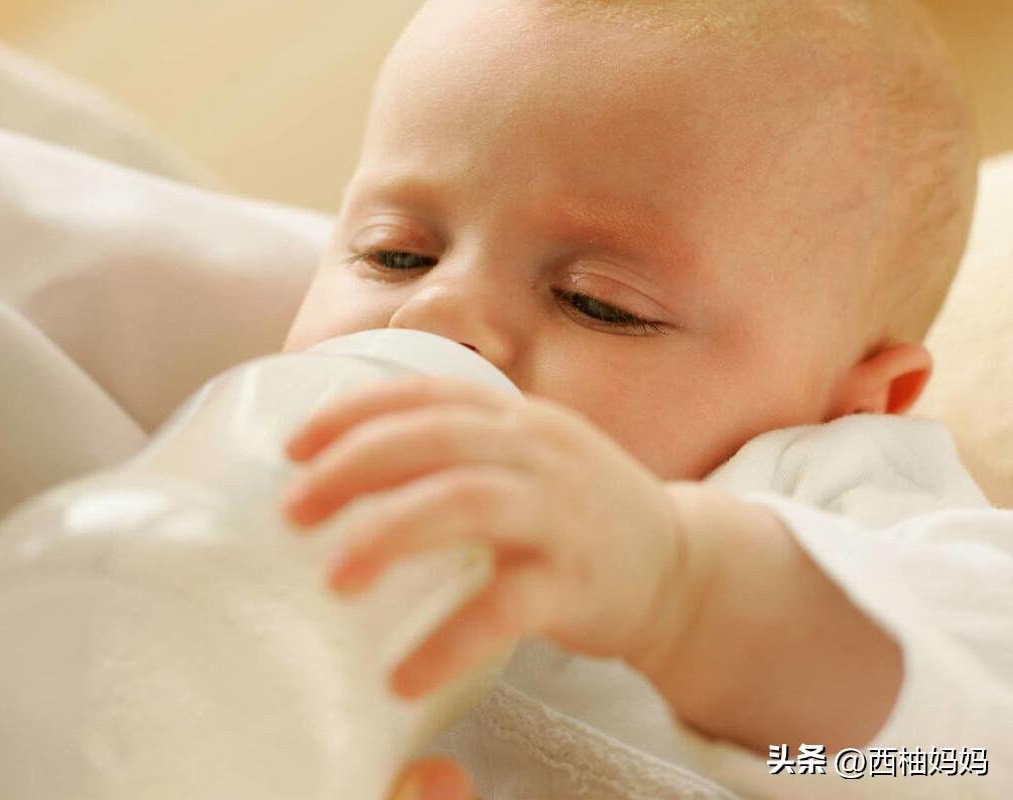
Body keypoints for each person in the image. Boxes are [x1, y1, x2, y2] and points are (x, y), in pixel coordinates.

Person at [277, 0, 1011, 797]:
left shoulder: (831, 496)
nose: (433, 314)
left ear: (855, 402)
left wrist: (684, 590)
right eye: (395, 254)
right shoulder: (286, 476)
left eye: (597, 302)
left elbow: (975, 754)